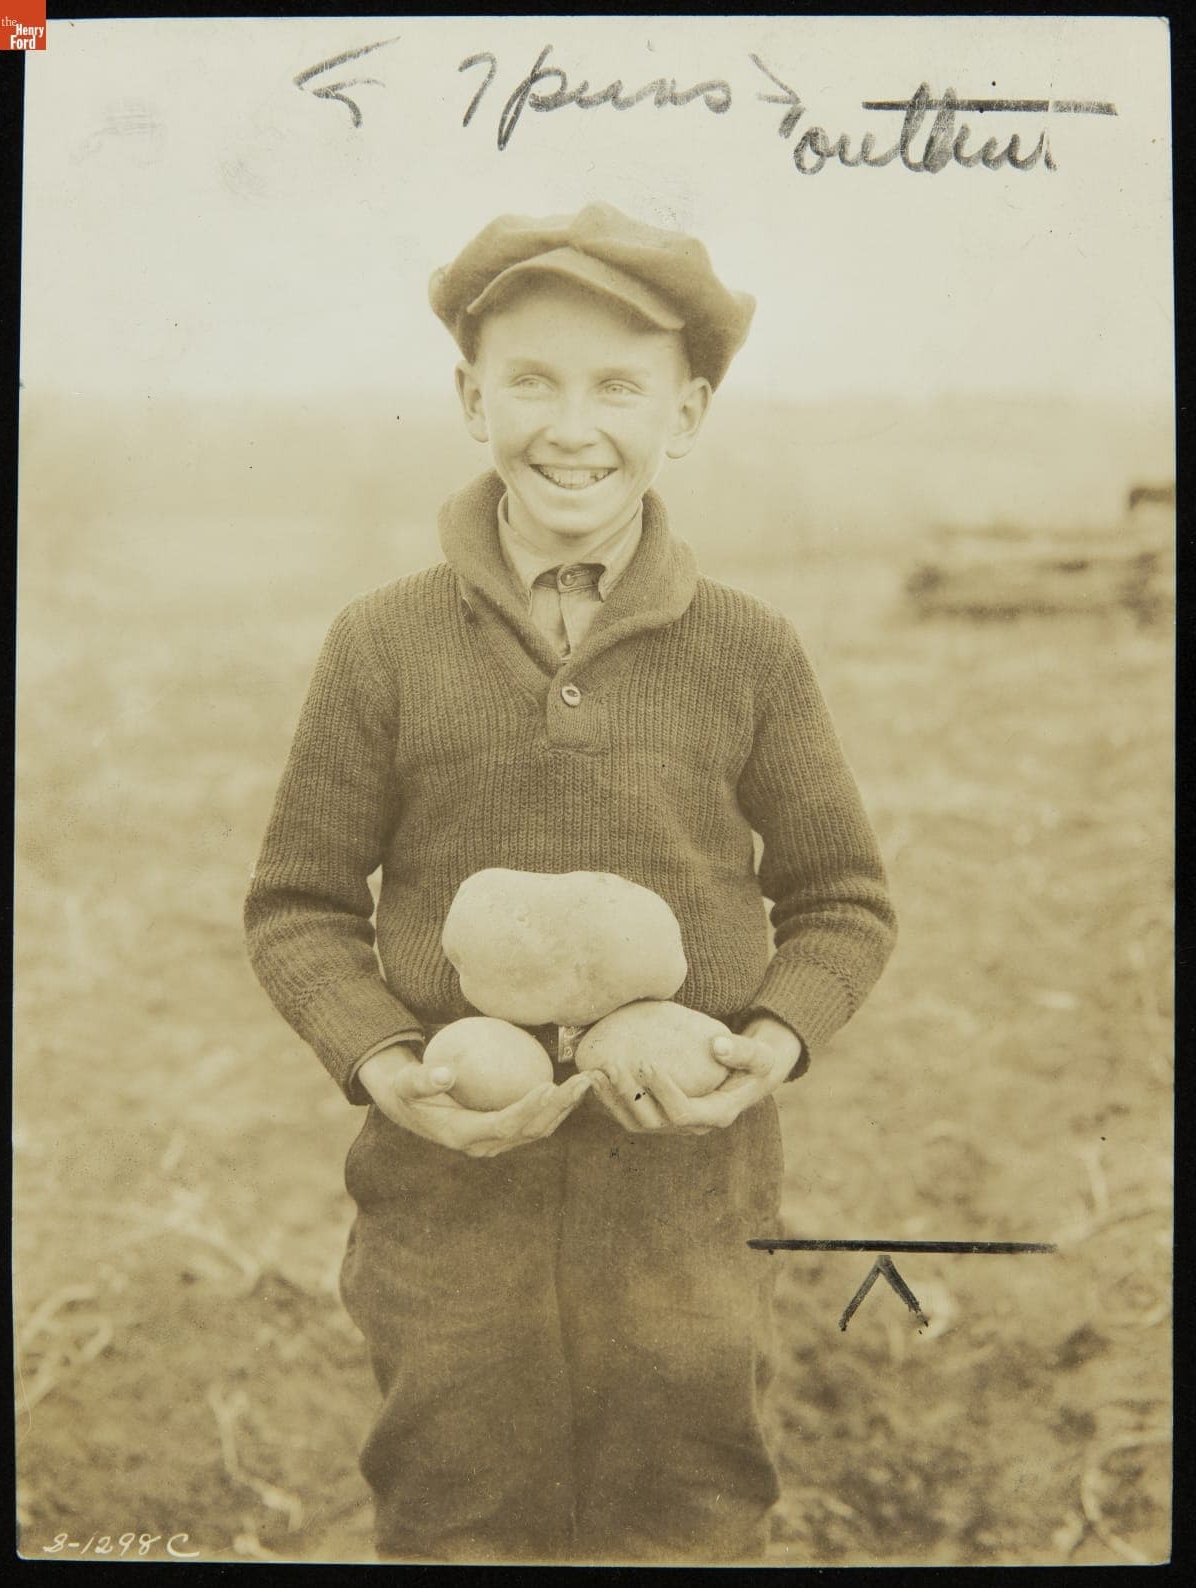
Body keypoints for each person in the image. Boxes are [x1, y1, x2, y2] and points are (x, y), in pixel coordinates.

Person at [244, 201, 897, 1566]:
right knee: (454, 1503)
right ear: (471, 399)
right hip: (443, 1189)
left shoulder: (748, 651)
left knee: (690, 1507)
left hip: (688, 1192)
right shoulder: (383, 646)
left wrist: (770, 1043)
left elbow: (842, 899)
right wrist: (384, 1066)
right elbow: (299, 906)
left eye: (618, 385)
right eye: (531, 382)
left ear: (688, 412)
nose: (572, 424)